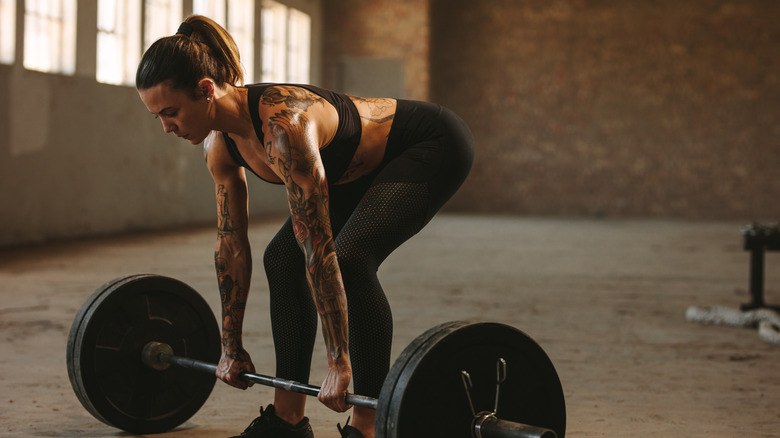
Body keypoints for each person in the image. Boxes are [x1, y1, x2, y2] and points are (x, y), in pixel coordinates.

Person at [136, 15, 474, 438]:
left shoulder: (284, 127)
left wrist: (338, 362)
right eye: (158, 118)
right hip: (356, 171)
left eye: (171, 112)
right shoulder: (219, 146)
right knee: (280, 259)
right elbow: (231, 247)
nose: (167, 126)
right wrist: (230, 346)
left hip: (427, 145)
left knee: (350, 260)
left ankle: (366, 427)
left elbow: (317, 246)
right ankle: (287, 419)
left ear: (205, 90)